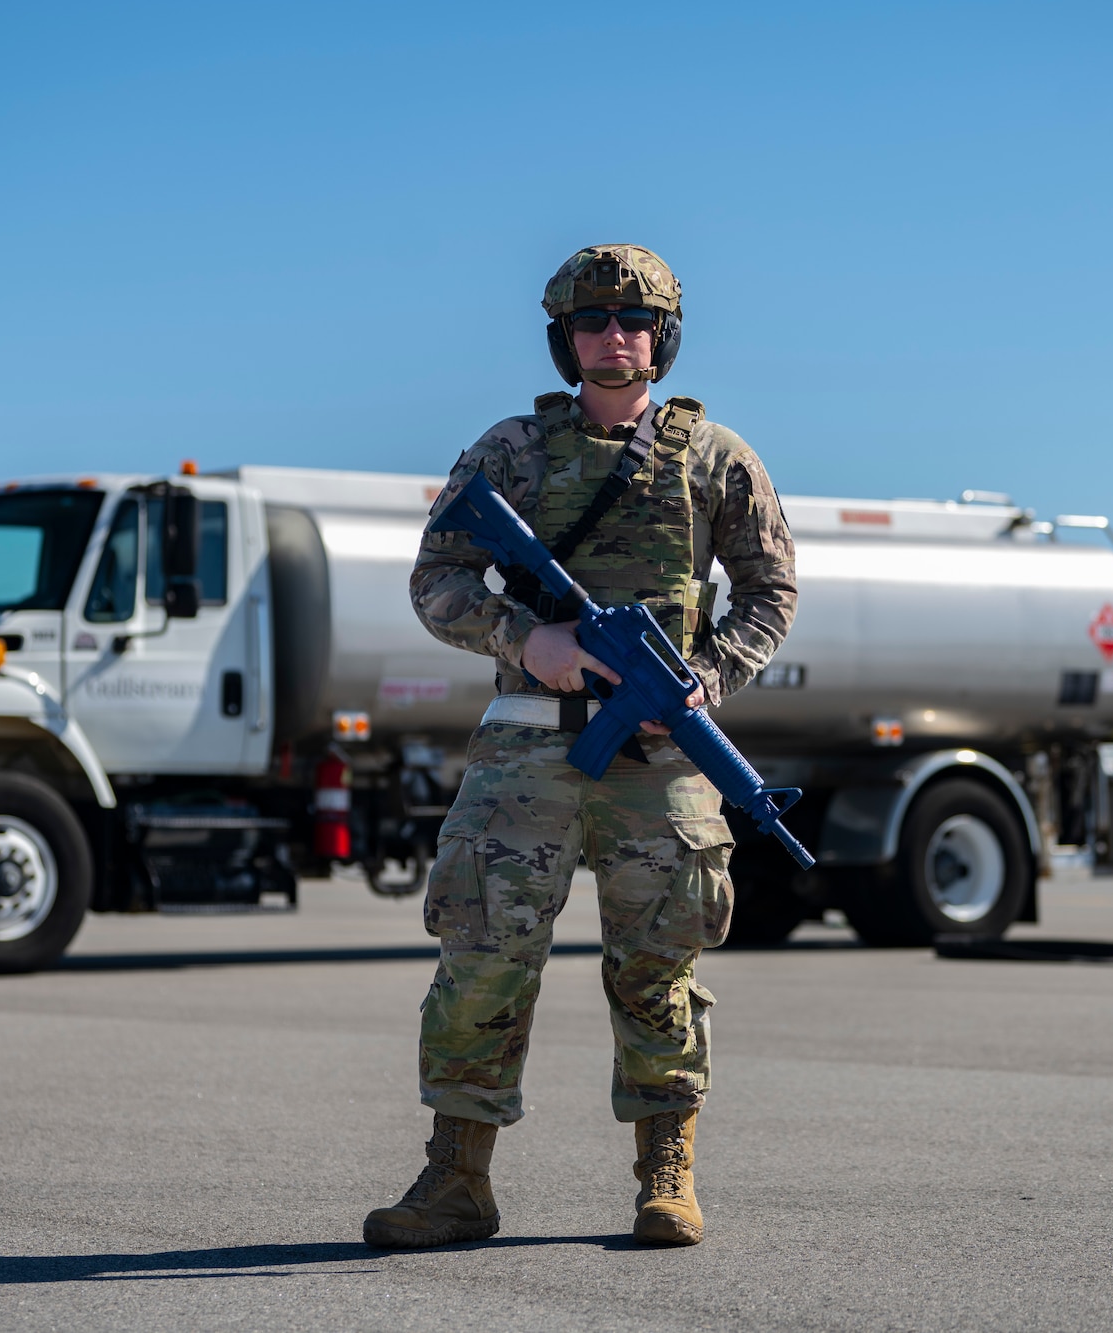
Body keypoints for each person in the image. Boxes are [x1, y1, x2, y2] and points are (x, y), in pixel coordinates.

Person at [364, 245, 797, 1249]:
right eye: (594, 321)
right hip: (524, 756)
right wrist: (531, 640)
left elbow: (770, 592)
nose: (615, 337)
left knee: (660, 969)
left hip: (660, 764)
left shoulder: (715, 459)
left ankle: (666, 1172)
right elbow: (437, 579)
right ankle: (455, 1180)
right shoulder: (512, 450)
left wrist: (709, 678)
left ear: (663, 338)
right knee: (482, 960)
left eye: (634, 321)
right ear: (565, 338)